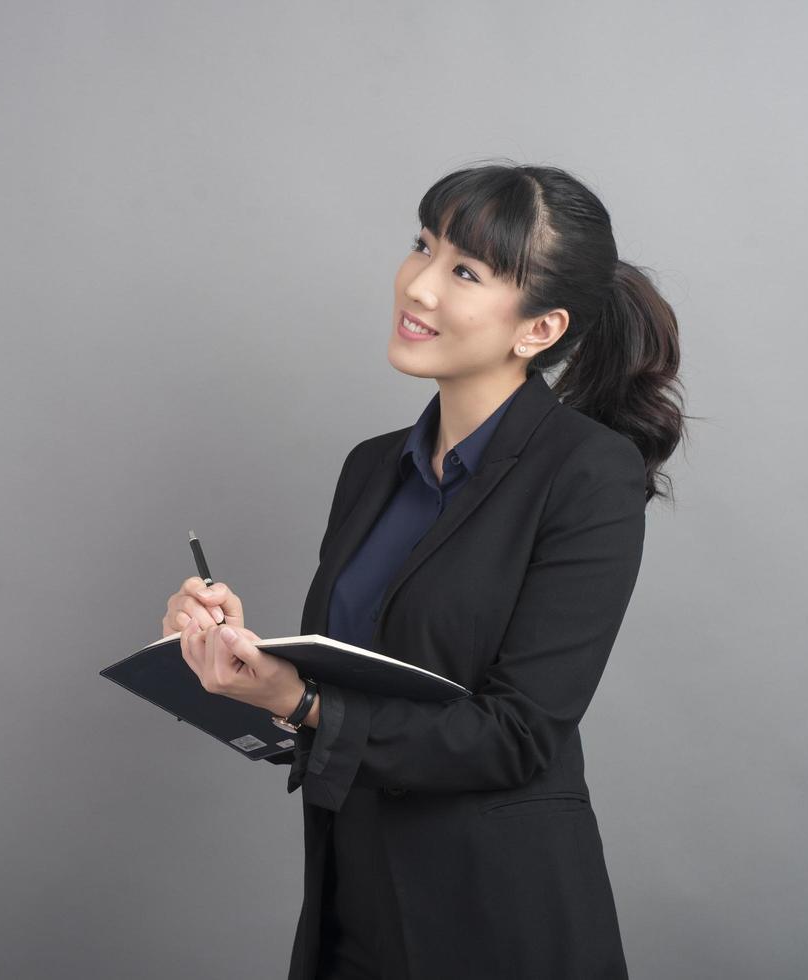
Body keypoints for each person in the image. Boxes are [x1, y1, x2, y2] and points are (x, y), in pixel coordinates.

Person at [162, 162, 687, 979]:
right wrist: (236, 662)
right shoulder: (372, 469)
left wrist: (296, 699)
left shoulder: (588, 472)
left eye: (465, 271)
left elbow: (517, 738)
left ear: (539, 330)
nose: (419, 286)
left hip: (491, 920)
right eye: (422, 246)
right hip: (350, 907)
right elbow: (350, 707)